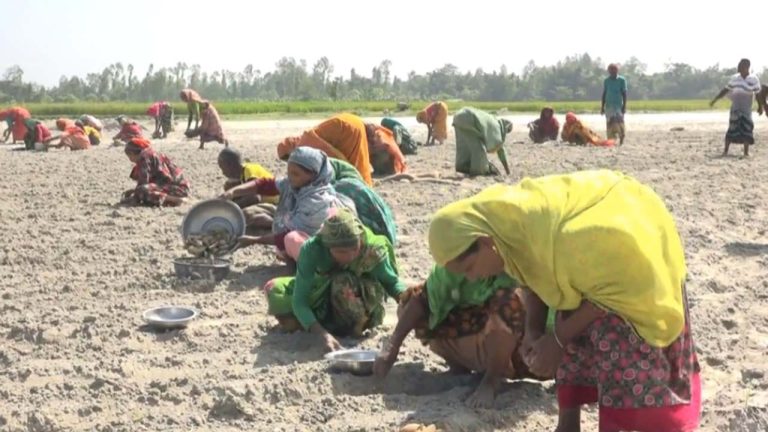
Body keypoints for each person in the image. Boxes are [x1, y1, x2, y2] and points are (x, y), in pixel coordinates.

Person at [426, 170, 701, 432]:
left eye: (469, 268)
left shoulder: (566, 238)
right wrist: (533, 333)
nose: (472, 278)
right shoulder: (508, 232)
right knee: (565, 324)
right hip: (590, 273)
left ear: (485, 243)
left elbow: (612, 291)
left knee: (605, 336)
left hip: (630, 264)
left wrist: (557, 340)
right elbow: (533, 281)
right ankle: (568, 425)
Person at [375, 265, 552, 408]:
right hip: (483, 339)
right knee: (409, 306)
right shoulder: (456, 263)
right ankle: (461, 367)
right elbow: (422, 300)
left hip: (528, 354)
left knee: (508, 301)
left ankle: (491, 380)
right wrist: (393, 346)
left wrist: (541, 339)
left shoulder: (516, 265)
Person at [263, 208, 405, 352]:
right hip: (321, 290)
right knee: (274, 290)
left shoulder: (372, 249)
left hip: (358, 299)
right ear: (327, 247)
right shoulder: (313, 250)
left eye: (354, 248)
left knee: (342, 281)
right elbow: (300, 301)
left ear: (360, 240)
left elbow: (391, 283)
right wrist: (322, 335)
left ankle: (353, 327)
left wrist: (406, 299)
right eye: (341, 251)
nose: (349, 256)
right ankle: (322, 325)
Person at [222, 147, 355, 263]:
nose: (289, 177)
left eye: (295, 174)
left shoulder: (318, 202)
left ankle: (309, 271)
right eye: (289, 172)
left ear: (313, 175)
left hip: (328, 252)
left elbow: (287, 235)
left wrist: (254, 240)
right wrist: (232, 192)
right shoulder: (296, 184)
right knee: (283, 247)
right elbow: (265, 185)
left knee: (291, 240)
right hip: (301, 239)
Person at [277, 113, 373, 185]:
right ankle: (364, 182)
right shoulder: (311, 134)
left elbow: (334, 161)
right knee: (358, 157)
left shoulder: (305, 146)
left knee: (349, 169)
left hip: (345, 127)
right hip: (352, 121)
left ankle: (361, 183)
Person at [218, 148, 279, 231]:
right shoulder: (243, 173)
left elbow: (254, 198)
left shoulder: (249, 170)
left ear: (230, 165)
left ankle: (279, 224)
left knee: (246, 214)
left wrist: (231, 209)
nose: (223, 173)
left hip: (278, 204)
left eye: (222, 168)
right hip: (268, 202)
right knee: (230, 187)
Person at [711, 58, 761, 156]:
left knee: (747, 128)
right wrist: (715, 100)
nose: (739, 68)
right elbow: (725, 90)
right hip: (735, 108)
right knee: (732, 128)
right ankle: (725, 151)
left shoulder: (754, 79)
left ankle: (746, 152)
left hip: (746, 109)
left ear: (747, 67)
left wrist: (760, 106)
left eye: (741, 66)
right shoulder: (735, 78)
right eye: (739, 65)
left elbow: (758, 94)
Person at [121, 137, 189, 207]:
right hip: (180, 188)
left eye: (129, 156)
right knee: (142, 191)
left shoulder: (144, 158)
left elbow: (143, 182)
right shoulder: (151, 153)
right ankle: (170, 199)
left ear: (132, 153)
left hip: (176, 188)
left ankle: (176, 200)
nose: (130, 160)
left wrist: (133, 197)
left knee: (142, 191)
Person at [452, 107, 512, 176]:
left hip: (458, 116)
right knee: (479, 149)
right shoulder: (497, 127)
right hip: (469, 119)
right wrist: (507, 171)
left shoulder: (491, 119)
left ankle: (462, 167)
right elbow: (500, 149)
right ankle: (478, 171)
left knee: (464, 146)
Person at [601, 64, 628, 145]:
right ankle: (611, 141)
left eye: (614, 70)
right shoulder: (606, 81)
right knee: (610, 124)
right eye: (611, 70)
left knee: (620, 123)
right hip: (609, 106)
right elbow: (604, 93)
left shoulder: (622, 80)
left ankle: (621, 138)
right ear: (609, 71)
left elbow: (624, 93)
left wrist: (624, 106)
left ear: (617, 70)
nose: (612, 71)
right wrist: (602, 107)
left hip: (618, 106)